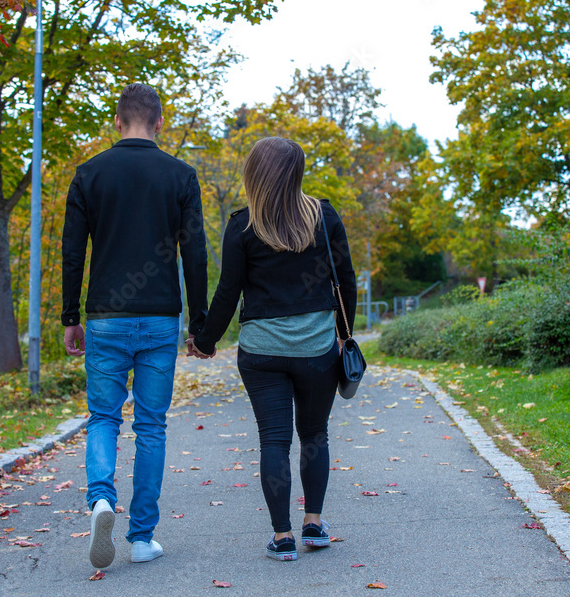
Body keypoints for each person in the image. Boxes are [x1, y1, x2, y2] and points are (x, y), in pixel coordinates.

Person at [187, 137, 357, 562]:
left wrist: (205, 342)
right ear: (297, 172)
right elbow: (347, 282)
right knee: (314, 434)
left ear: (254, 174)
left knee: (273, 442)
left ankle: (282, 537)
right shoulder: (323, 216)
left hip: (261, 353)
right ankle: (313, 524)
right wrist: (342, 333)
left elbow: (227, 293)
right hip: (317, 349)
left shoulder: (242, 226)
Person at [61, 83, 208, 569]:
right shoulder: (181, 176)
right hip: (162, 317)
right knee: (150, 426)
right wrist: (200, 323)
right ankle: (142, 538)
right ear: (160, 122)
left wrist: (68, 316)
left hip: (105, 318)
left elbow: (72, 252)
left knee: (104, 418)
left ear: (118, 122)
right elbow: (195, 252)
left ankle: (101, 500)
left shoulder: (89, 174)